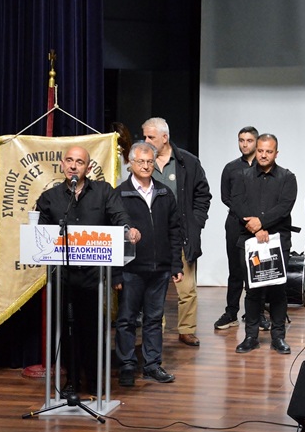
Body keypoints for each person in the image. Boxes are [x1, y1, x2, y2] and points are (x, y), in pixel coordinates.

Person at [36, 146, 140, 395]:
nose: (73, 166)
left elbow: (119, 216)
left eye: (79, 162)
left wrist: (129, 230)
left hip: (94, 277)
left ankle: (94, 380)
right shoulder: (50, 197)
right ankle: (72, 381)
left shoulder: (103, 192)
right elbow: (40, 233)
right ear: (62, 164)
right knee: (67, 331)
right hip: (62, 277)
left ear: (88, 167)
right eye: (69, 160)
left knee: (92, 330)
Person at [113, 142, 183, 386]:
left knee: (154, 319)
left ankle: (152, 365)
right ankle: (127, 365)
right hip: (130, 270)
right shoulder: (119, 194)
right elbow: (113, 237)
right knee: (126, 320)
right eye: (140, 161)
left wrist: (176, 265)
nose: (145, 166)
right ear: (131, 164)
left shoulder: (164, 192)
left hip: (160, 269)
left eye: (149, 162)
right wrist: (116, 274)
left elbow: (175, 231)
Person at [142, 117, 212, 347]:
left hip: (182, 234)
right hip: (152, 235)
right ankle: (156, 328)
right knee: (154, 287)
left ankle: (186, 330)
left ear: (165, 137)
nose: (146, 141)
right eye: (144, 136)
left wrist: (196, 222)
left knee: (187, 287)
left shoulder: (188, 162)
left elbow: (203, 194)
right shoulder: (143, 162)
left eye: (151, 137)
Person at [230, 134, 298, 354]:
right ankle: (251, 336)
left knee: (278, 290)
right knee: (252, 290)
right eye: (260, 150)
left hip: (277, 240)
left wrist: (263, 223)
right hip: (249, 239)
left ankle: (278, 337)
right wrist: (256, 228)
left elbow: (284, 207)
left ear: (276, 153)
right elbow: (237, 203)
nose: (263, 155)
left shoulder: (287, 177)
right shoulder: (242, 176)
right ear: (256, 151)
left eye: (269, 151)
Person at [215, 126, 262, 331]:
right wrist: (244, 215)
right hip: (235, 223)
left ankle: (258, 314)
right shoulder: (231, 168)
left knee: (258, 269)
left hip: (259, 225)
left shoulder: (264, 167)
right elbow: (225, 197)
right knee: (235, 270)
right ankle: (231, 312)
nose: (244, 144)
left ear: (257, 142)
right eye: (241, 140)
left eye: (249, 140)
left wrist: (258, 220)